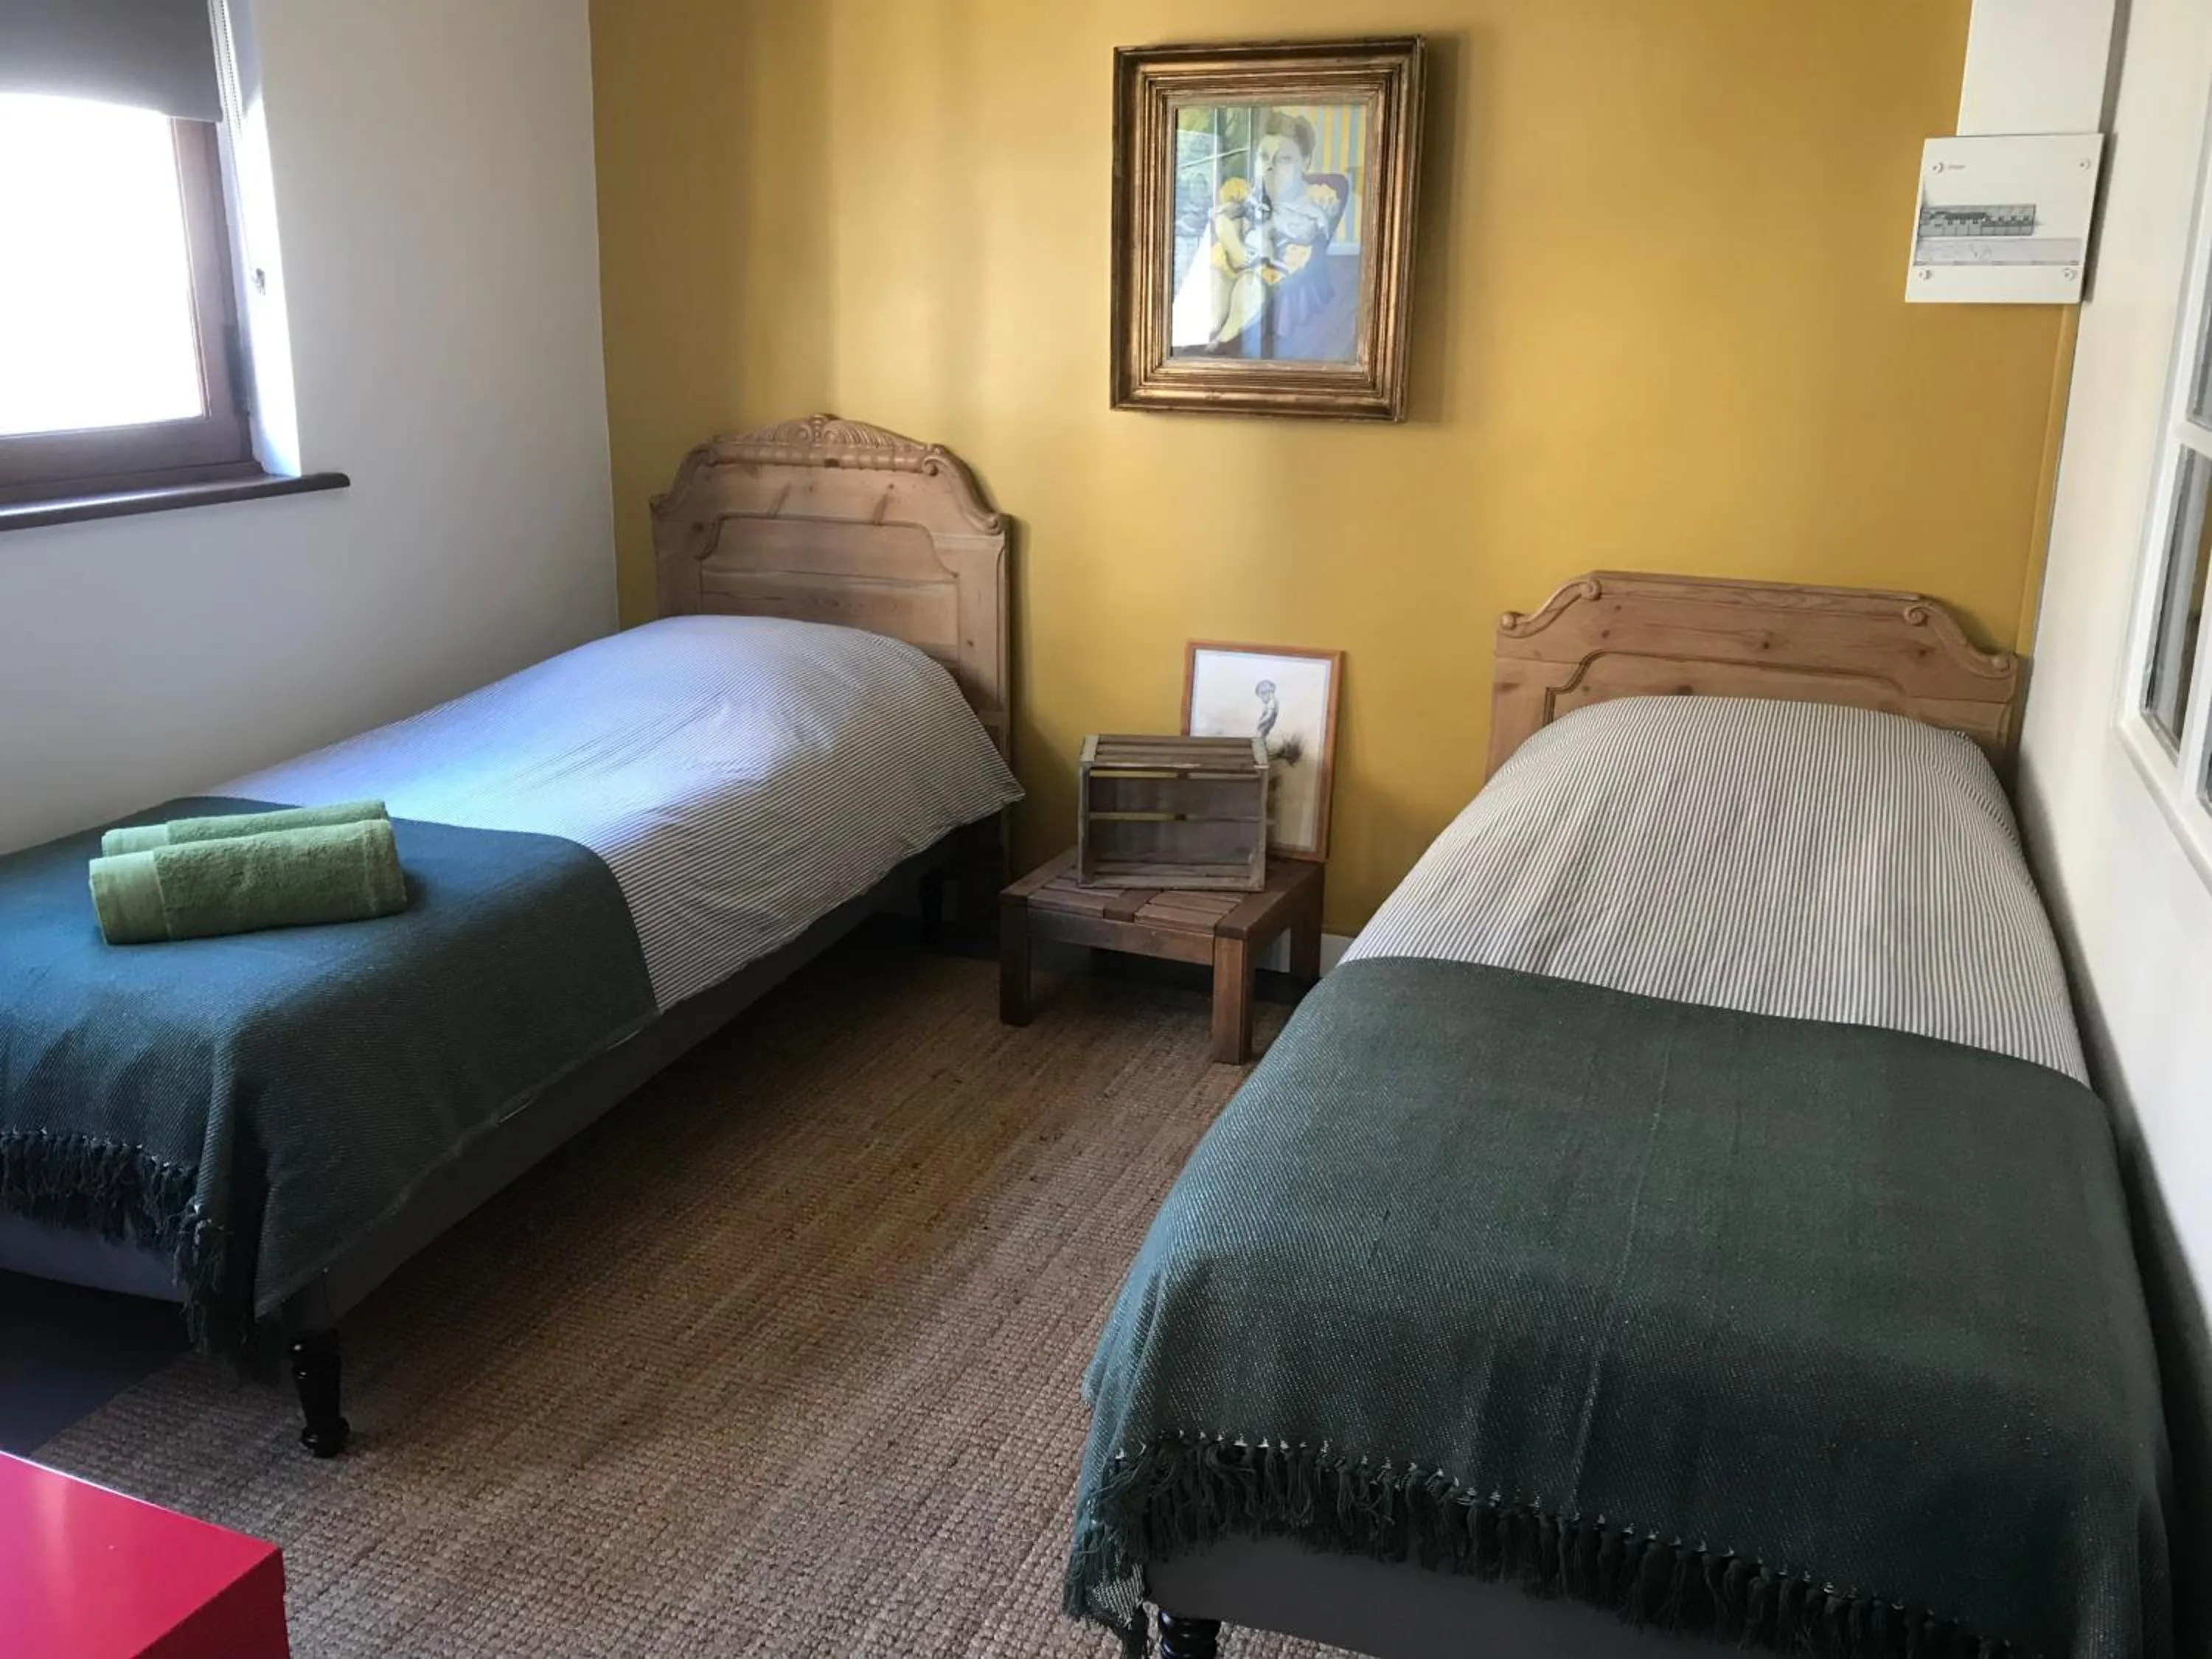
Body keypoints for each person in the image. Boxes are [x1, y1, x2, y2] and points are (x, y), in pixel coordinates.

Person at [1172, 110, 1354, 361]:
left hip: (1270, 264)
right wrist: (1236, 244)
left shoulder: (1311, 199)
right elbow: (1223, 215)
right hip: (1239, 253)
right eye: (1264, 157)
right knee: (1215, 280)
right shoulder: (1249, 192)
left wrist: (1278, 224)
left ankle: (1226, 339)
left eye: (1284, 159)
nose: (1270, 166)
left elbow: (1311, 228)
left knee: (1249, 287)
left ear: (1306, 162)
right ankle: (1205, 332)